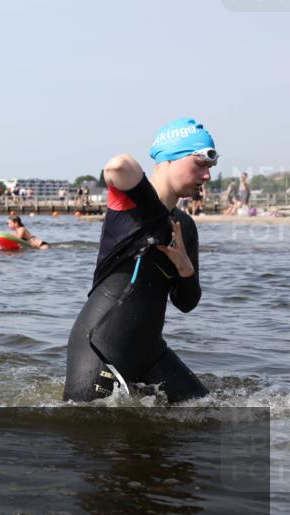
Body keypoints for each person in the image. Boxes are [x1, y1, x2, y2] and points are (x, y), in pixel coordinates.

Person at [63, 117, 217, 403]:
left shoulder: (184, 226)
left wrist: (184, 266)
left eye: (210, 168)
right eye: (200, 164)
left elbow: (187, 303)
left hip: (150, 352)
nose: (207, 175)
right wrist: (159, 220)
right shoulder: (130, 207)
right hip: (100, 347)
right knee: (87, 434)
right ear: (170, 159)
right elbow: (118, 165)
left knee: (209, 415)